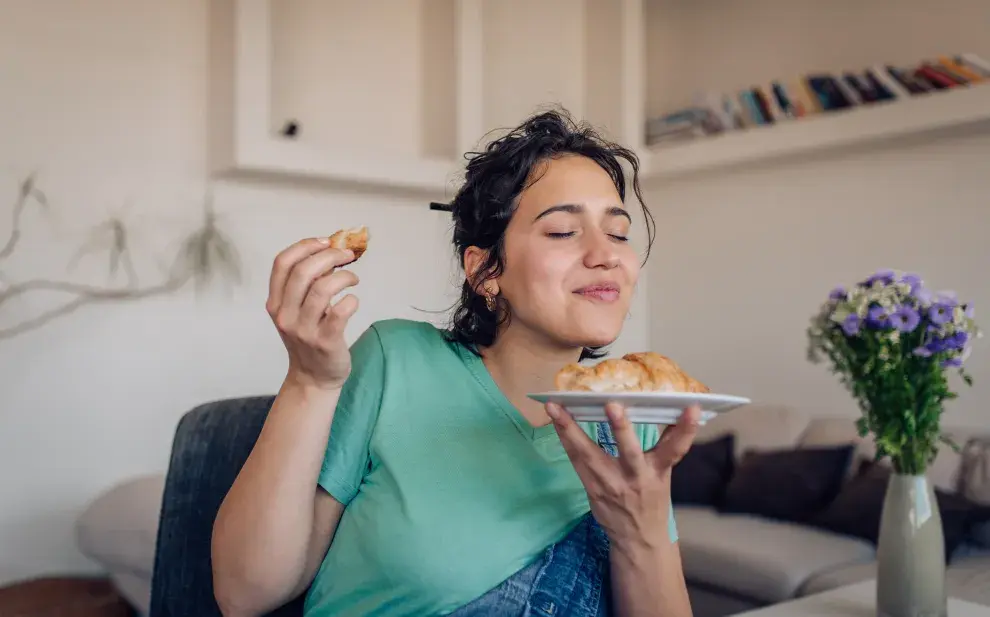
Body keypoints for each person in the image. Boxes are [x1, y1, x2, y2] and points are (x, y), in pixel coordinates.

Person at [210, 109, 701, 617]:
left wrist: (641, 536)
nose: (606, 255)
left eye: (619, 234)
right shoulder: (395, 361)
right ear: (486, 270)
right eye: (562, 231)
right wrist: (309, 383)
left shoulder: (633, 416)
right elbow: (245, 593)